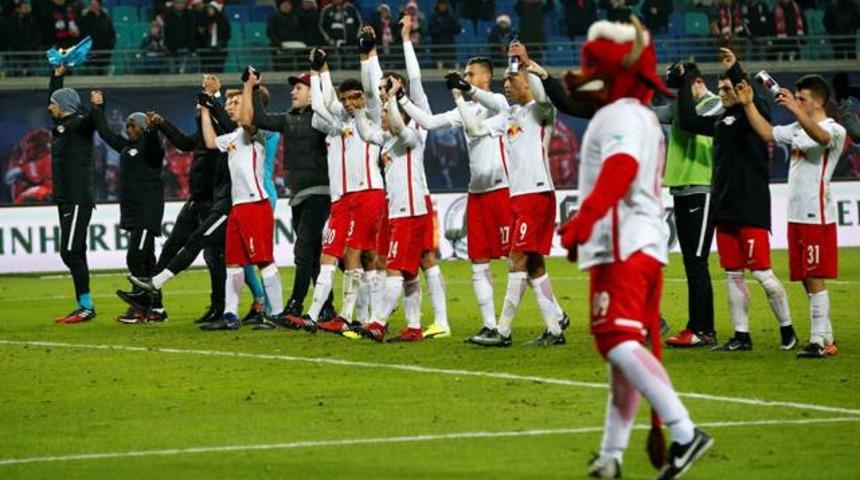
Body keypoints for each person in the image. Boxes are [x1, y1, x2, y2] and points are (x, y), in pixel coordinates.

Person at [557, 18, 713, 480]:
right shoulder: (642, 116)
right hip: (638, 243)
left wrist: (583, 222)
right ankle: (611, 455)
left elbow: (620, 168)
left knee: (615, 342)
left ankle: (685, 432)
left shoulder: (619, 114)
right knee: (622, 353)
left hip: (622, 242)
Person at [677, 48, 797, 352]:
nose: (723, 92)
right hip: (724, 208)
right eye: (720, 88)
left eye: (727, 88)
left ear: (743, 90)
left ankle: (788, 329)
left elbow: (753, 100)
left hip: (750, 207)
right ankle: (741, 336)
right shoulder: (721, 121)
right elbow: (690, 120)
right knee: (732, 274)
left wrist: (735, 69)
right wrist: (685, 83)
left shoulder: (754, 116)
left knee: (762, 274)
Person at [455, 41, 570, 347]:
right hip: (518, 197)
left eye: (512, 80)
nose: (506, 85)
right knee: (533, 264)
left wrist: (527, 62)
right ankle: (554, 330)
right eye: (505, 80)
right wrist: (462, 96)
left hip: (536, 194)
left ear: (527, 84)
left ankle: (502, 330)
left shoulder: (541, 111)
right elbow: (477, 130)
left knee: (516, 258)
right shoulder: (510, 116)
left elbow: (544, 94)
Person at [400, 54, 511, 342]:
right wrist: (402, 100)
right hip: (477, 193)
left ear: (485, 78)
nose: (466, 78)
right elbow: (428, 121)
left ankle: (550, 318)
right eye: (465, 74)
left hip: (503, 190)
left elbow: (475, 126)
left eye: (471, 74)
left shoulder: (500, 103)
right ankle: (490, 324)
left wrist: (464, 94)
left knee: (521, 259)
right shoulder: (464, 109)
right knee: (478, 260)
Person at [739, 74, 847, 358]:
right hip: (796, 215)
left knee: (814, 277)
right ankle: (826, 336)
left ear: (819, 101)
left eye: (803, 99)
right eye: (796, 98)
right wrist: (749, 104)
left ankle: (817, 342)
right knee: (804, 278)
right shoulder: (799, 128)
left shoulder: (834, 130)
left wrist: (792, 108)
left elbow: (820, 137)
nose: (797, 102)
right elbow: (767, 133)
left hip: (817, 215)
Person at [286, 43, 384, 334]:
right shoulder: (333, 125)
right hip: (340, 199)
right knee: (328, 254)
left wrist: (368, 55)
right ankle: (314, 315)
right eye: (345, 99)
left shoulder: (372, 118)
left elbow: (371, 87)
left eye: (355, 97)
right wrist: (320, 69)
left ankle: (361, 317)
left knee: (362, 256)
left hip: (368, 192)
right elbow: (320, 103)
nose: (350, 103)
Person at [371, 17, 450, 339]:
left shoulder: (417, 121)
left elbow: (414, 81)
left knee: (415, 261)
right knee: (420, 261)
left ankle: (435, 320)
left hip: (415, 201)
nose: (381, 95)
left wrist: (405, 39)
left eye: (385, 89)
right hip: (397, 203)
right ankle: (417, 324)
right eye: (379, 91)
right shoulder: (385, 132)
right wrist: (370, 55)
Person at [248, 66, 335, 326]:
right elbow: (260, 119)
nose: (293, 91)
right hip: (298, 194)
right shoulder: (288, 118)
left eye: (299, 88)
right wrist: (253, 88)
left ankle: (295, 306)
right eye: (293, 88)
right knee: (315, 251)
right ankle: (327, 308)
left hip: (319, 192)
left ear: (312, 94)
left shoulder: (322, 119)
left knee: (303, 251)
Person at [195, 80, 285, 330]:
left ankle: (276, 313)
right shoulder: (233, 136)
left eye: (236, 103)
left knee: (264, 260)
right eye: (230, 103)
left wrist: (248, 88)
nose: (231, 106)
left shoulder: (254, 130)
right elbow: (211, 142)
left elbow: (247, 119)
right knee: (233, 263)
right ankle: (230, 315)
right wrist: (205, 109)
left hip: (256, 204)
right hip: (238, 207)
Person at [352, 78, 431, 342]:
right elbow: (366, 133)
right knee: (407, 271)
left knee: (394, 268)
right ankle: (414, 326)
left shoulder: (411, 136)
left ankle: (378, 322)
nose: (382, 115)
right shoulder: (387, 140)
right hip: (397, 210)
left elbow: (398, 125)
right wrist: (361, 110)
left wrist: (393, 99)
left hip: (410, 211)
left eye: (385, 111)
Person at [656, 62, 723, 348]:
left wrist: (682, 86)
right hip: (681, 190)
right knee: (690, 261)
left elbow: (689, 120)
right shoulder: (681, 105)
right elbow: (649, 115)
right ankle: (697, 327)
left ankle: (703, 329)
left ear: (696, 83)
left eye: (683, 86)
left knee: (697, 261)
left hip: (702, 188)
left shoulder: (715, 104)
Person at [91, 91, 167, 322]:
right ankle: (157, 309)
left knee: (135, 257)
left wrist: (154, 127)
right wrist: (98, 108)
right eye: (127, 125)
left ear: (143, 128)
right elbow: (104, 133)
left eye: (133, 126)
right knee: (147, 260)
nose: (128, 129)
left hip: (147, 212)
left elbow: (154, 141)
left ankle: (138, 307)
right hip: (134, 212)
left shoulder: (153, 150)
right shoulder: (125, 148)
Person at [47, 65, 97, 324]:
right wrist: (56, 76)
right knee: (76, 252)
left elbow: (91, 119)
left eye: (54, 104)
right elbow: (54, 97)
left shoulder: (80, 124)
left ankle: (86, 306)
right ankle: (85, 306)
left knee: (69, 251)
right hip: (65, 197)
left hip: (78, 197)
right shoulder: (63, 124)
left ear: (64, 106)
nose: (49, 107)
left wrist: (97, 105)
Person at [78, 0, 115, 75]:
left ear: (99, 6)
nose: (93, 6)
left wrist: (111, 44)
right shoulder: (86, 17)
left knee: (104, 73)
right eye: (92, 4)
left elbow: (111, 33)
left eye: (95, 4)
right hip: (91, 51)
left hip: (104, 51)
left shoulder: (105, 17)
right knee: (92, 71)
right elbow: (81, 32)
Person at [267, 0, 303, 71]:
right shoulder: (274, 17)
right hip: (279, 47)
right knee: (281, 68)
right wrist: (279, 43)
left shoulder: (295, 17)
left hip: (293, 47)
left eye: (288, 5)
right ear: (280, 6)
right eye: (284, 5)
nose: (286, 7)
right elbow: (270, 32)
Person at [196, 1, 230, 73]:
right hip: (206, 51)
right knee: (208, 72)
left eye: (211, 9)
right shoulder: (204, 20)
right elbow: (200, 35)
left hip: (219, 51)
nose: (209, 11)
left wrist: (221, 44)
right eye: (208, 9)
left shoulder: (222, 20)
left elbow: (227, 35)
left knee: (219, 71)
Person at [163, 0, 195, 74]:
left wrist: (190, 44)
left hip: (185, 46)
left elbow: (191, 31)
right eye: (178, 3)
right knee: (172, 71)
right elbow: (167, 31)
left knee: (183, 71)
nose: (180, 5)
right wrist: (168, 44)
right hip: (171, 47)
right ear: (174, 3)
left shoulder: (189, 15)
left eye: (182, 3)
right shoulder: (168, 14)